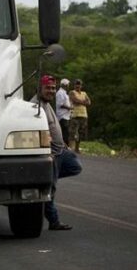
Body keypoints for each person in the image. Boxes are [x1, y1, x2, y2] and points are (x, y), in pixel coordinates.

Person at [31, 75, 83, 231]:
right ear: (39, 88)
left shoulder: (46, 103)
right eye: (48, 88)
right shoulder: (35, 106)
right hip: (51, 154)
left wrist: (63, 144)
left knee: (75, 166)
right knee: (50, 189)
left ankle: (44, 178)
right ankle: (54, 221)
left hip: (60, 150)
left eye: (53, 88)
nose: (51, 91)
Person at [68, 79, 91, 153]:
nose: (78, 86)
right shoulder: (72, 92)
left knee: (81, 132)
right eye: (76, 84)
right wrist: (83, 102)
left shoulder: (84, 93)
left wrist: (80, 102)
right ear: (74, 85)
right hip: (75, 115)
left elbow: (89, 102)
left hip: (84, 115)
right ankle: (71, 148)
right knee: (72, 132)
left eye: (79, 84)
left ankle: (77, 148)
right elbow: (74, 100)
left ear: (81, 85)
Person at [55, 78, 73, 145]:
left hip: (66, 116)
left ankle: (65, 146)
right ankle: (64, 146)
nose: (68, 85)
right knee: (65, 133)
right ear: (64, 85)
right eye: (68, 84)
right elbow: (60, 104)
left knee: (66, 132)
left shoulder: (64, 93)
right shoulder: (60, 93)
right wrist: (70, 108)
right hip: (62, 116)